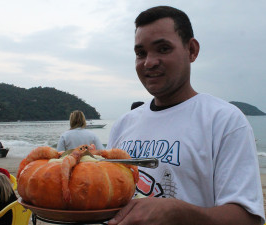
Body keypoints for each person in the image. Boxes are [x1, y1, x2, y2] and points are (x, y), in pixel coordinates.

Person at [107, 6, 265, 225]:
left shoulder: (224, 121)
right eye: (140, 53)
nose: (149, 62)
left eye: (163, 49)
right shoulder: (123, 125)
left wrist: (179, 213)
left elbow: (248, 219)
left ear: (191, 50)